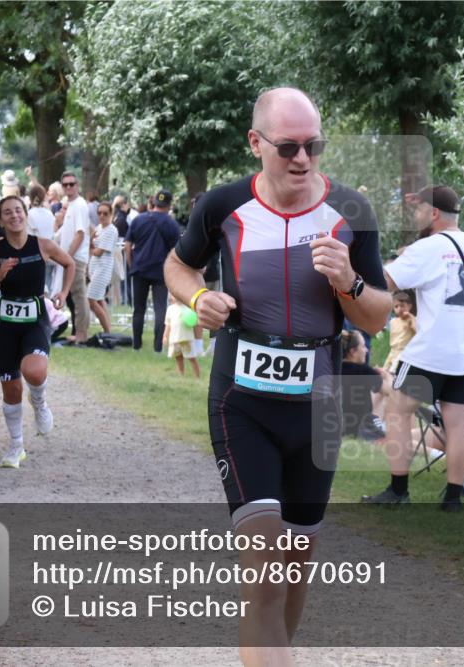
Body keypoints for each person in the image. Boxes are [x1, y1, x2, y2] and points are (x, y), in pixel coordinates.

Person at [164, 87, 389, 666]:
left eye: (313, 145)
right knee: (263, 570)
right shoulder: (222, 206)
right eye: (288, 146)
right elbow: (178, 264)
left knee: (294, 565)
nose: (303, 159)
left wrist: (350, 284)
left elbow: (378, 315)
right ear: (256, 143)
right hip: (243, 403)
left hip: (320, 403)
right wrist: (198, 299)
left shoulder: (352, 213)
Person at [361, 185, 464, 511]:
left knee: (397, 411)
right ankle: (452, 499)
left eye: (418, 209)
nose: (416, 216)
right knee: (455, 420)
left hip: (430, 351)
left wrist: (400, 259)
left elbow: (385, 282)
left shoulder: (427, 247)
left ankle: (398, 491)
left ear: (434, 213)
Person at [0, 196, 74, 468]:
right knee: (11, 390)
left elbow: (70, 264)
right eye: (7, 213)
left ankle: (40, 402)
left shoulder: (42, 245)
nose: (14, 216)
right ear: (0, 219)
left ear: (26, 213)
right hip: (5, 326)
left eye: (18, 210)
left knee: (34, 371)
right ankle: (16, 447)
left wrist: (64, 293)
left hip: (35, 320)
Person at [127, 189, 180, 352]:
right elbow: (175, 251)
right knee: (160, 309)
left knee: (139, 309)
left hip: (140, 269)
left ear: (154, 202)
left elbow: (128, 245)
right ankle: (158, 347)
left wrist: (131, 264)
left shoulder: (139, 219)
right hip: (161, 272)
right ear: (169, 205)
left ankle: (137, 345)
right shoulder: (172, 224)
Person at [57, 172, 91, 344]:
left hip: (75, 258)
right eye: (65, 184)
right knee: (73, 296)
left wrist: (67, 256)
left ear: (77, 185)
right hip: (71, 257)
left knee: (79, 296)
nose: (69, 187)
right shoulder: (70, 205)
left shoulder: (79, 205)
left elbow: (80, 234)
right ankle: (78, 331)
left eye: (72, 184)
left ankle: (82, 334)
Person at [340, 330, 390, 442]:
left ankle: (381, 426)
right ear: (353, 351)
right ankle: (435, 453)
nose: (366, 350)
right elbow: (389, 391)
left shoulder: (334, 369)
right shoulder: (364, 371)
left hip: (338, 427)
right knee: (401, 440)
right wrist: (387, 376)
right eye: (363, 346)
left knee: (375, 391)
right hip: (362, 428)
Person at [88, 200, 117, 334]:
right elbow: (90, 245)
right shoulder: (99, 228)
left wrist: (92, 248)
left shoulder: (111, 230)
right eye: (99, 213)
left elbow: (98, 252)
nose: (102, 216)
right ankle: (108, 330)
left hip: (102, 269)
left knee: (91, 300)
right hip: (95, 269)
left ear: (111, 214)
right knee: (99, 299)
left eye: (105, 213)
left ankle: (106, 331)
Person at [163, 295, 201, 378]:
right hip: (175, 339)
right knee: (178, 358)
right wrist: (165, 336)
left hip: (186, 338)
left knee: (192, 358)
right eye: (173, 295)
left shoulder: (188, 308)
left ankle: (197, 376)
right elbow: (168, 324)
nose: (176, 297)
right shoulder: (170, 309)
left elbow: (195, 322)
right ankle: (181, 375)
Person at [382, 290, 416, 372]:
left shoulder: (411, 319)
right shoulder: (393, 321)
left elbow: (417, 330)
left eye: (402, 306)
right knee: (385, 369)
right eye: (396, 307)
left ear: (410, 306)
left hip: (404, 351)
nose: (399, 309)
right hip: (393, 350)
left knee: (394, 369)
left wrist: (411, 318)